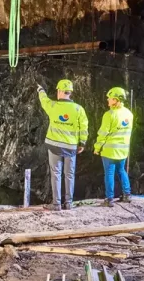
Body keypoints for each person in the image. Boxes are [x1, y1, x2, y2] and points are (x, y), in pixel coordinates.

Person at [37, 79, 89, 211]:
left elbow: (43, 100)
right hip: (71, 147)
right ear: (70, 93)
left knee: (56, 174)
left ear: (60, 91)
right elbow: (84, 127)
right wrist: (82, 142)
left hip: (54, 146)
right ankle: (69, 203)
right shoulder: (79, 109)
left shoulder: (53, 106)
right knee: (69, 175)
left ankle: (56, 204)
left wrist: (40, 89)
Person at [94, 87, 134, 207]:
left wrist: (97, 147)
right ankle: (127, 195)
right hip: (123, 150)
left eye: (110, 98)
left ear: (116, 100)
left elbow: (103, 133)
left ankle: (109, 199)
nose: (107, 100)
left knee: (109, 174)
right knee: (121, 171)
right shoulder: (129, 114)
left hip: (110, 151)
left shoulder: (109, 114)